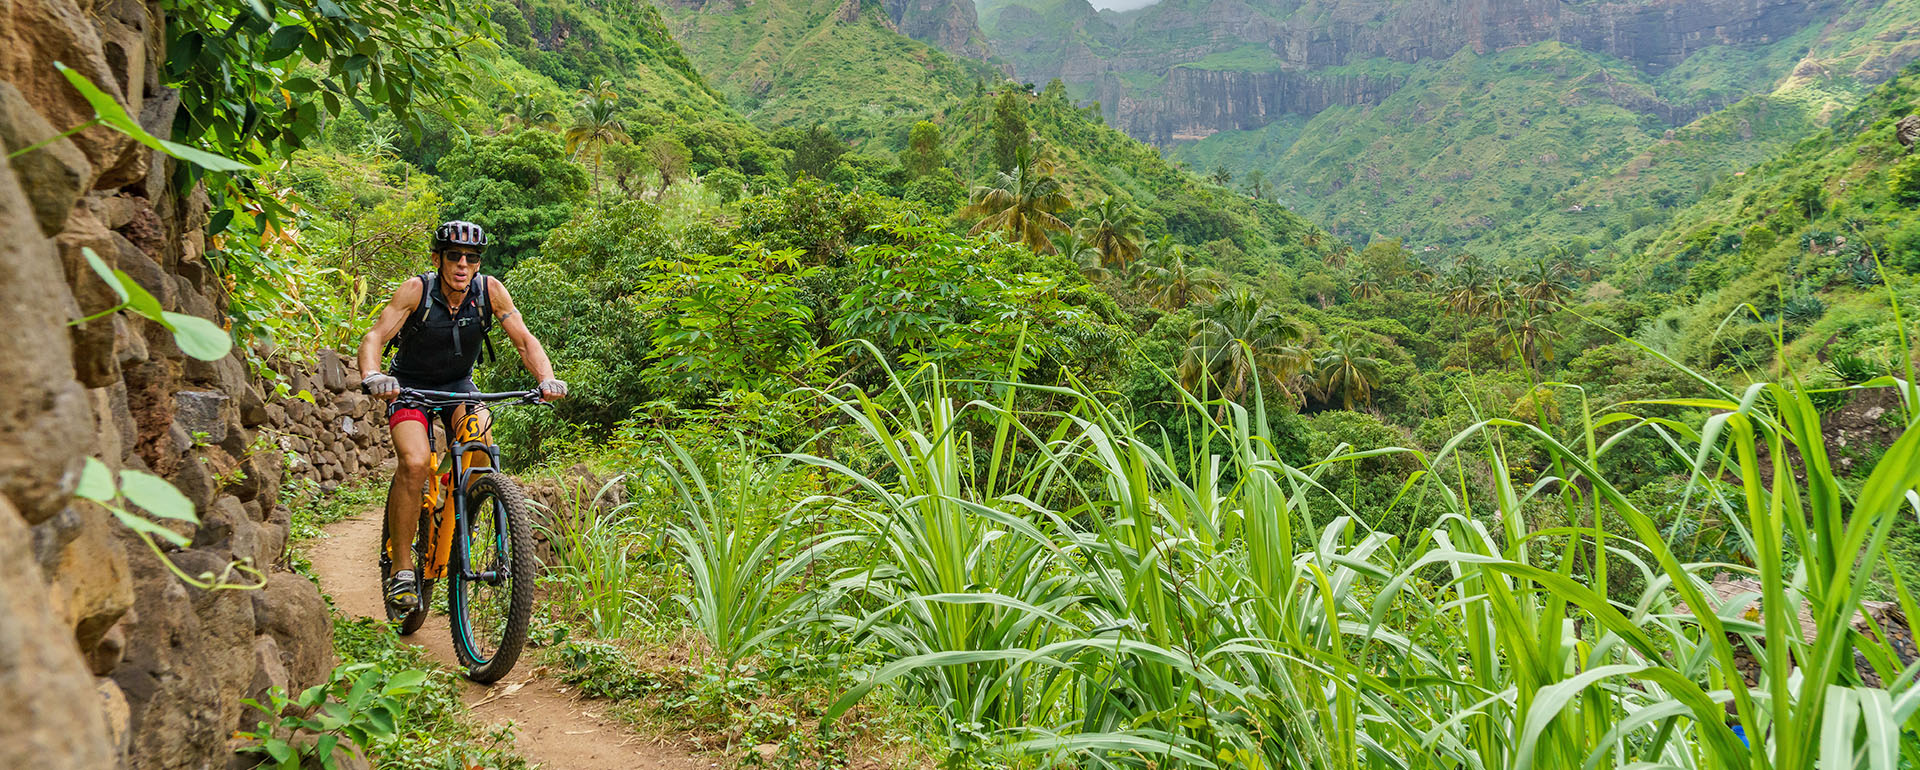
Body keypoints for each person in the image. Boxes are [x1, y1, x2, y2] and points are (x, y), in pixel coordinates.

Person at [356, 220, 567, 614]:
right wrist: (373, 374)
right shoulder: (416, 291)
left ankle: (463, 515)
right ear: (438, 259)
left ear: (478, 263)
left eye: (471, 258)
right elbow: (375, 336)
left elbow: (524, 340)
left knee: (482, 442)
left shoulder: (490, 291)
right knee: (415, 462)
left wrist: (547, 379)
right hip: (410, 388)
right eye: (454, 256)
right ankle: (401, 568)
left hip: (458, 386)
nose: (463, 264)